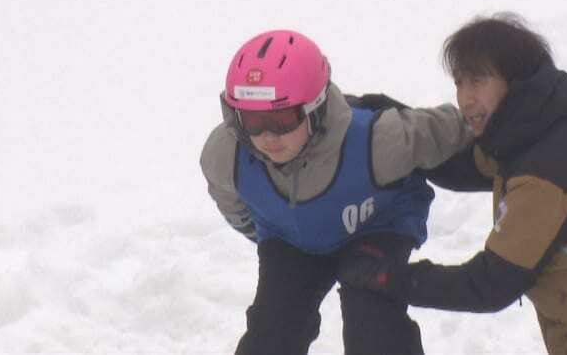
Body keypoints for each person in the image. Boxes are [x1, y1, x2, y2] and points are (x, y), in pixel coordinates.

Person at [338, 13, 567, 355]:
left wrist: (388, 276)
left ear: (514, 82)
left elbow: (490, 284)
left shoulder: (546, 169)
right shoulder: (533, 129)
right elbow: (465, 165)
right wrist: (380, 114)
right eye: (459, 82)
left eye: (478, 80)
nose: (465, 99)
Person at [199, 29, 472, 355]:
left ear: (315, 108)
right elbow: (234, 206)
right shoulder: (225, 155)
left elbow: (459, 129)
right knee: (272, 330)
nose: (268, 135)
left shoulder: (378, 141)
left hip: (377, 225)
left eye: (282, 118)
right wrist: (275, 230)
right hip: (290, 238)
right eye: (253, 121)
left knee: (371, 321)